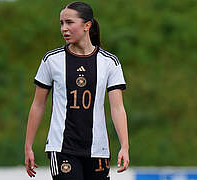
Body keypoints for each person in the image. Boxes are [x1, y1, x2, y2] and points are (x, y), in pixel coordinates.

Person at [25, 1, 129, 179]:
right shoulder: (52, 60)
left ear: (87, 25)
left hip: (98, 149)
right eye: (61, 23)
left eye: (69, 22)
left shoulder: (109, 62)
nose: (64, 28)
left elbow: (117, 108)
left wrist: (124, 146)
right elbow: (38, 105)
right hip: (62, 148)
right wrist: (28, 146)